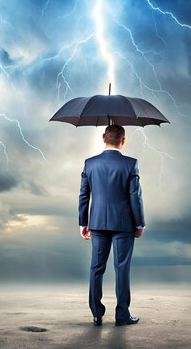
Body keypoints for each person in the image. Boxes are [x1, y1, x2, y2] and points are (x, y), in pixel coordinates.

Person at [79, 124, 145, 327]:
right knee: (122, 269)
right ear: (123, 141)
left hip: (97, 223)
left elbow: (84, 195)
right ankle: (122, 315)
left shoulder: (89, 163)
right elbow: (135, 196)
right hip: (124, 224)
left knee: (96, 268)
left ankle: (97, 315)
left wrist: (83, 223)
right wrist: (139, 222)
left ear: (103, 138)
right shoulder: (130, 164)